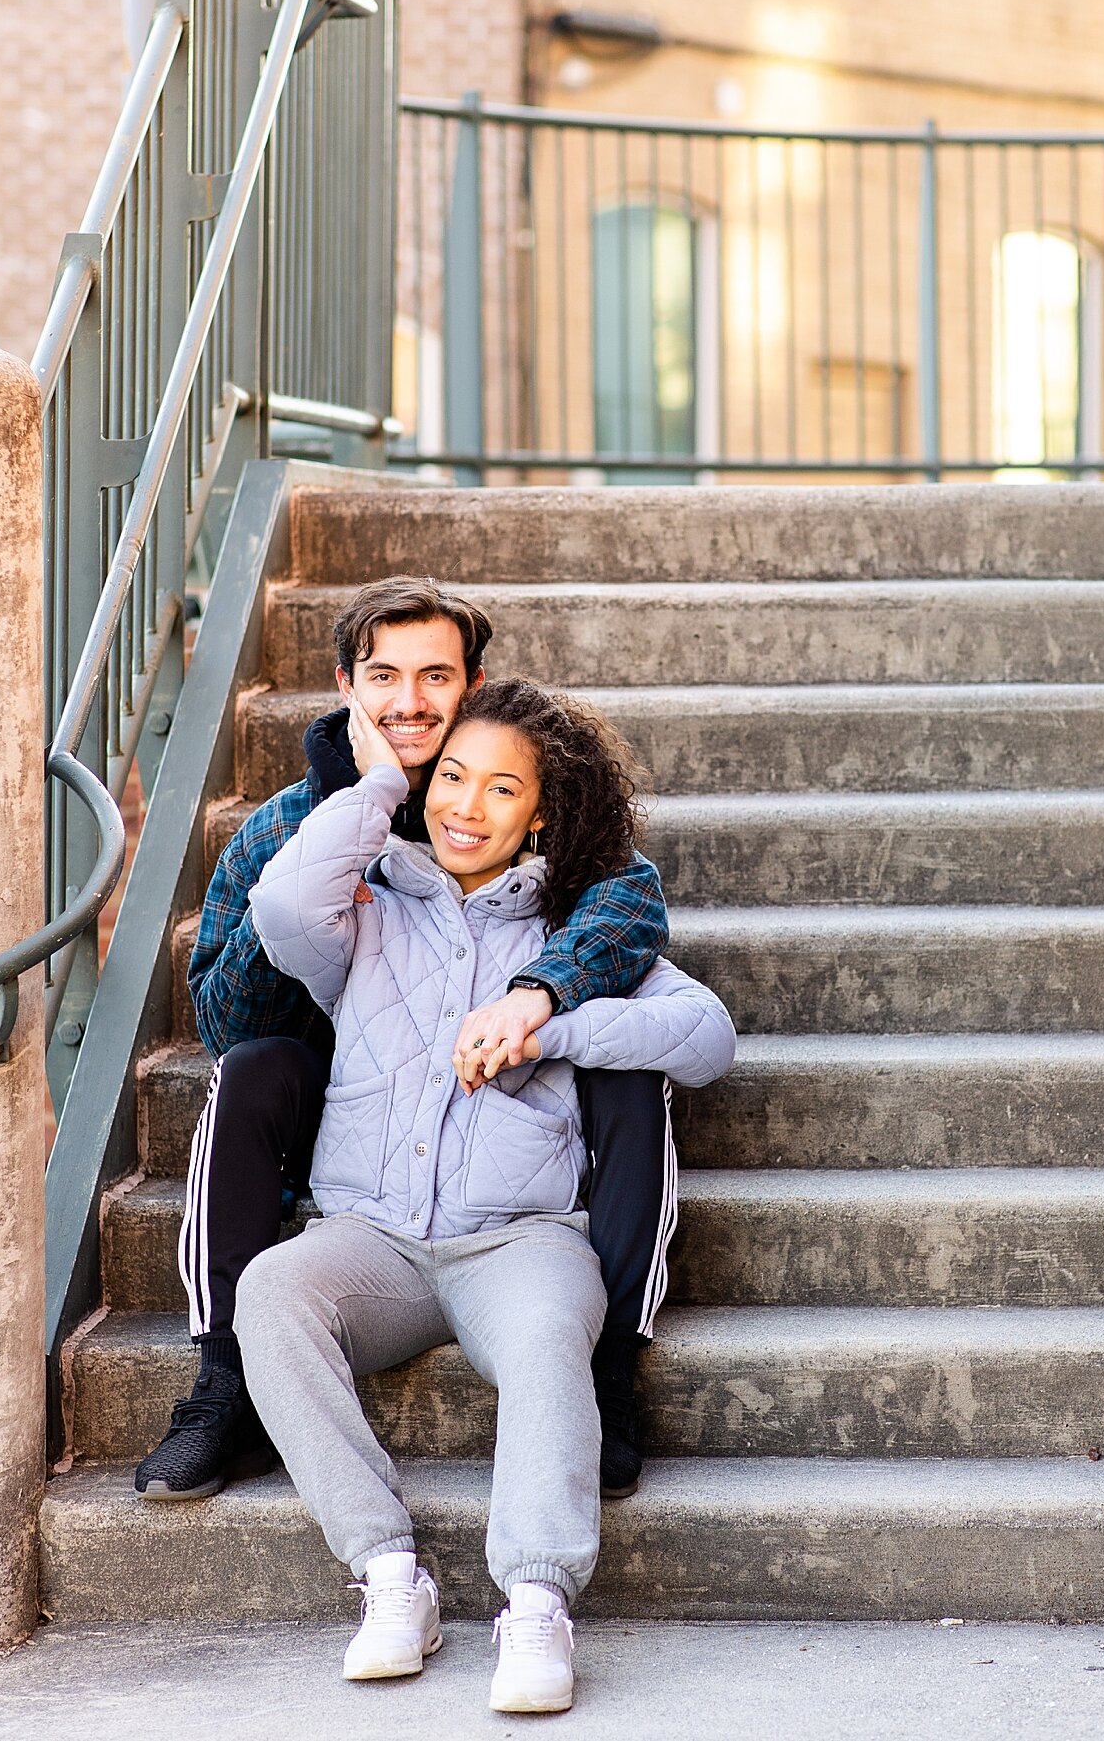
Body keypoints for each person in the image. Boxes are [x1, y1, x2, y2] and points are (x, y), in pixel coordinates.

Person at [235, 678, 735, 1713]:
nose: (467, 804)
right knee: (271, 1292)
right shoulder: (366, 905)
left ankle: (539, 1601)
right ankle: (387, 1576)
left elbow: (705, 1037)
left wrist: (543, 1021)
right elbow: (278, 909)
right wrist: (381, 777)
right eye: (451, 776)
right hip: (370, 1237)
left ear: (540, 811)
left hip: (519, 1240)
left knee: (556, 1325)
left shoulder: (580, 932)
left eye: (501, 788)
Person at [135, 578, 676, 1505]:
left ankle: (609, 1372)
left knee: (633, 1079)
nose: (410, 701)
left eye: (437, 675)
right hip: (347, 1109)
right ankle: (227, 1381)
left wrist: (538, 994)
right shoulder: (279, 826)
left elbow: (631, 901)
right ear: (347, 685)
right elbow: (224, 1020)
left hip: (498, 1105)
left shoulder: (524, 796)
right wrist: (321, 881)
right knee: (248, 1071)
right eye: (384, 674)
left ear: (472, 686)